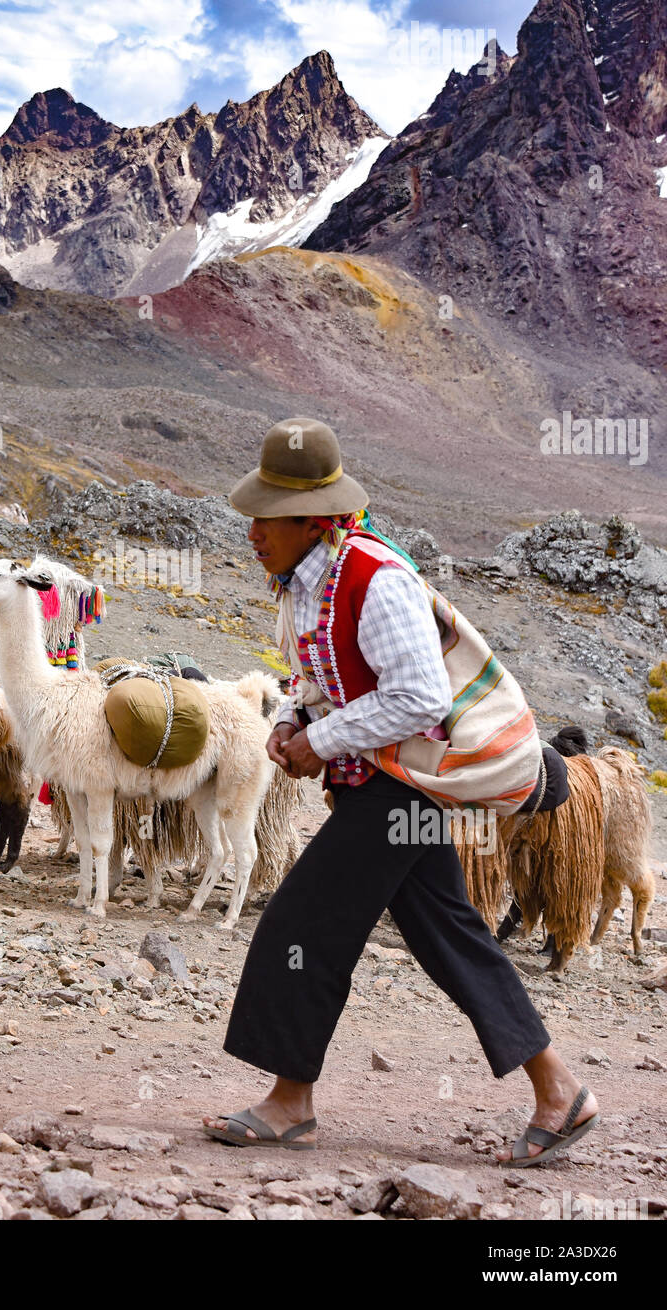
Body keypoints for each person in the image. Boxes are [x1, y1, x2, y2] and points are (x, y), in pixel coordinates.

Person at [203, 417, 599, 1166]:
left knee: (301, 925)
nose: (252, 530)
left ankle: (290, 1105)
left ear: (308, 519)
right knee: (448, 936)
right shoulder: (305, 585)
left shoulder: (375, 579)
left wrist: (318, 743)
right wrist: (291, 721)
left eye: (266, 517)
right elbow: (317, 679)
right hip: (375, 786)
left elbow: (418, 698)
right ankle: (560, 1091)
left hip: (403, 790)